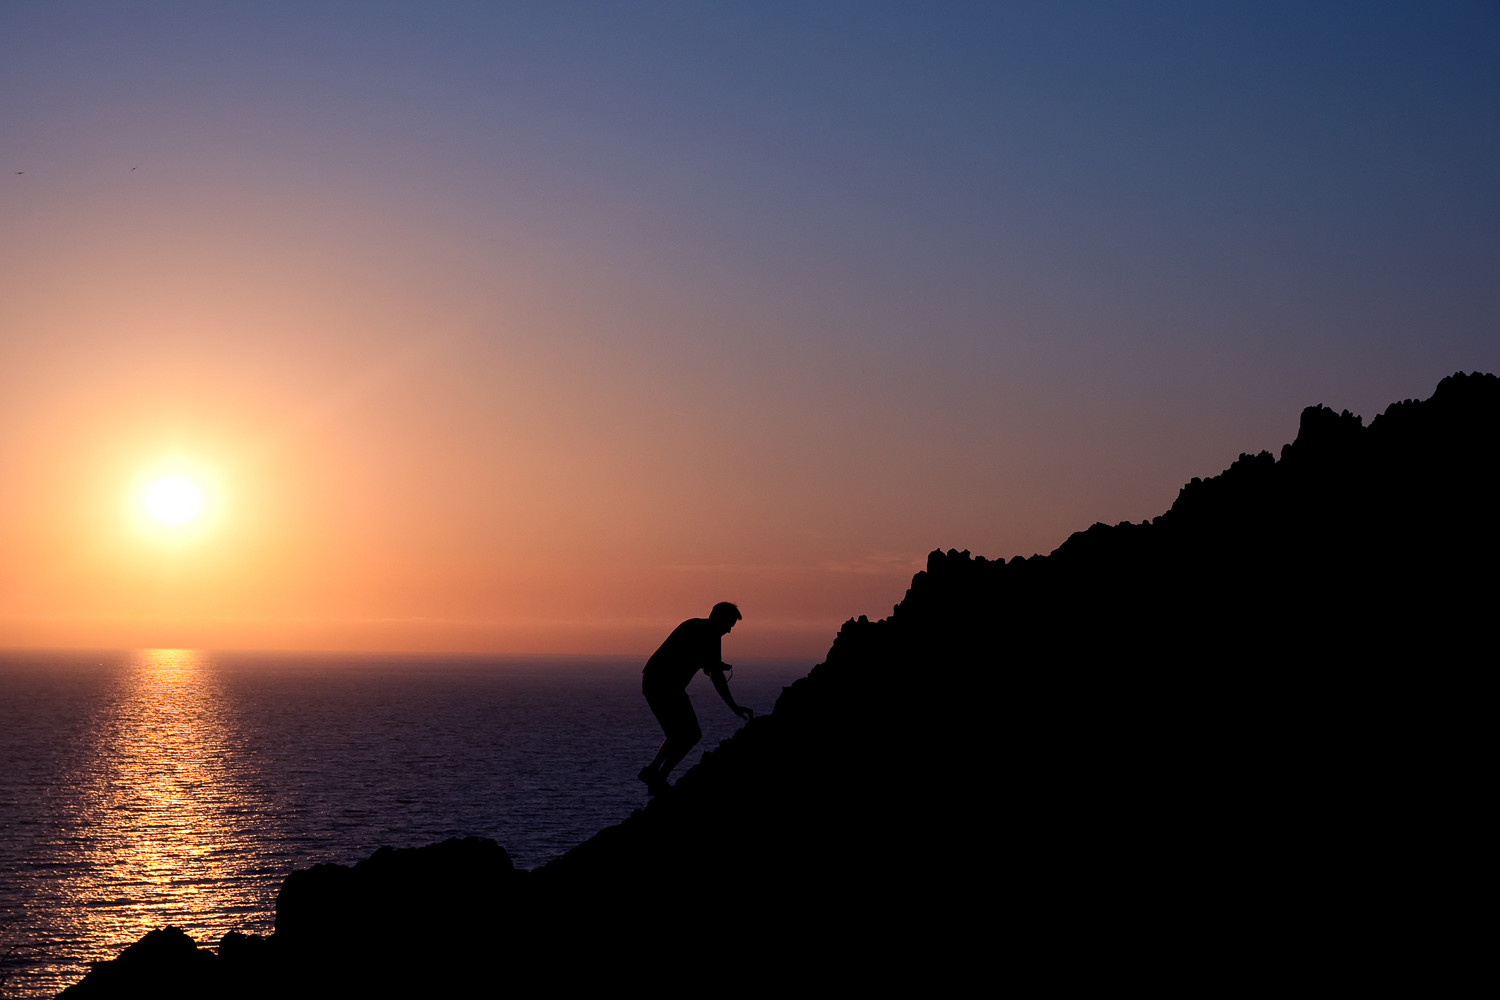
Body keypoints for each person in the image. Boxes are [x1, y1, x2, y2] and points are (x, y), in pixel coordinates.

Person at [637, 602, 753, 795]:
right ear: (720, 619)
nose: (730, 631)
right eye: (730, 624)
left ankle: (653, 773)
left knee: (678, 734)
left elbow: (683, 653)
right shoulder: (712, 635)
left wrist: (709, 663)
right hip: (666, 686)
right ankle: (657, 776)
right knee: (691, 735)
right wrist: (734, 706)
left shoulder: (692, 624)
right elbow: (716, 676)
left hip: (652, 681)